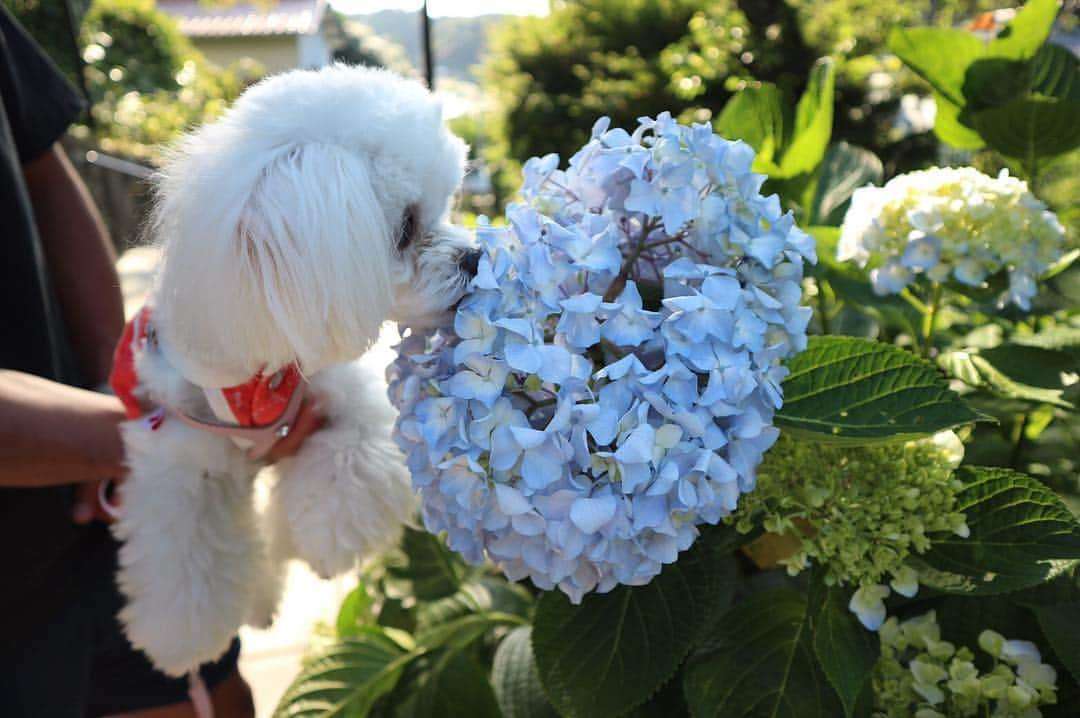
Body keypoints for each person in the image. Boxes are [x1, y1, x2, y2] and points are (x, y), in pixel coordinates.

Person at [0, 7, 324, 716]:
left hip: (104, 514)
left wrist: (121, 388)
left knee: (207, 681)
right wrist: (173, 434)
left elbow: (46, 173)